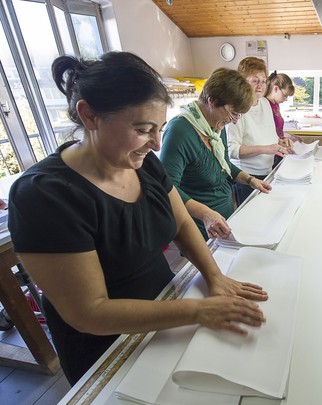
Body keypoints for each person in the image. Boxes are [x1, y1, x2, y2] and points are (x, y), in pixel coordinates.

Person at [7, 52, 268, 386]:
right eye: (143, 129)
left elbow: (183, 223)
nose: (157, 143)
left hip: (165, 309)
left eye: (158, 128)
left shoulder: (144, 164)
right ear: (89, 115)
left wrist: (213, 276)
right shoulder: (44, 196)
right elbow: (90, 312)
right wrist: (198, 311)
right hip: (107, 343)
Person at [160, 68, 271, 241]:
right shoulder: (180, 131)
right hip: (200, 227)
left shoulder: (215, 127)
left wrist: (251, 180)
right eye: (233, 113)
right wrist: (205, 213)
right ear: (212, 101)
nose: (235, 120)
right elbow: (166, 188)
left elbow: (224, 166)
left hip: (224, 221)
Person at [227, 57, 294, 205]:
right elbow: (231, 150)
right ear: (242, 81)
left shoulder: (265, 103)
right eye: (255, 81)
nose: (260, 86)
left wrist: (280, 141)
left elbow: (268, 135)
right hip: (247, 178)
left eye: (263, 81)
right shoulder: (237, 108)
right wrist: (267, 149)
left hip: (268, 172)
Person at [265, 71, 298, 167]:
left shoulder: (276, 105)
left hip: (279, 149)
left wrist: (289, 137)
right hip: (272, 153)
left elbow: (277, 130)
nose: (286, 99)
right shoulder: (265, 104)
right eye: (285, 95)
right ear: (275, 89)